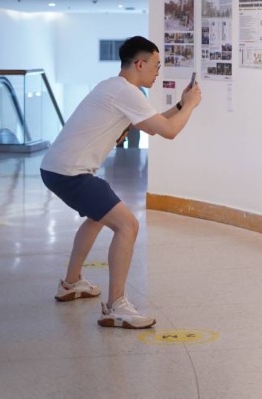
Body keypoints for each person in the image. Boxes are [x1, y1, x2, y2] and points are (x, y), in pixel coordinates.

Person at [40, 36, 202, 329]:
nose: (157, 72)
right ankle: (116, 306)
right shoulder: (125, 92)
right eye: (156, 66)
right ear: (139, 64)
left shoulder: (114, 87)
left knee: (97, 217)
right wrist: (190, 106)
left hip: (57, 168)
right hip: (70, 172)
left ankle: (71, 283)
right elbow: (169, 131)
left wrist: (180, 103)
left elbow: (153, 125)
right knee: (128, 225)